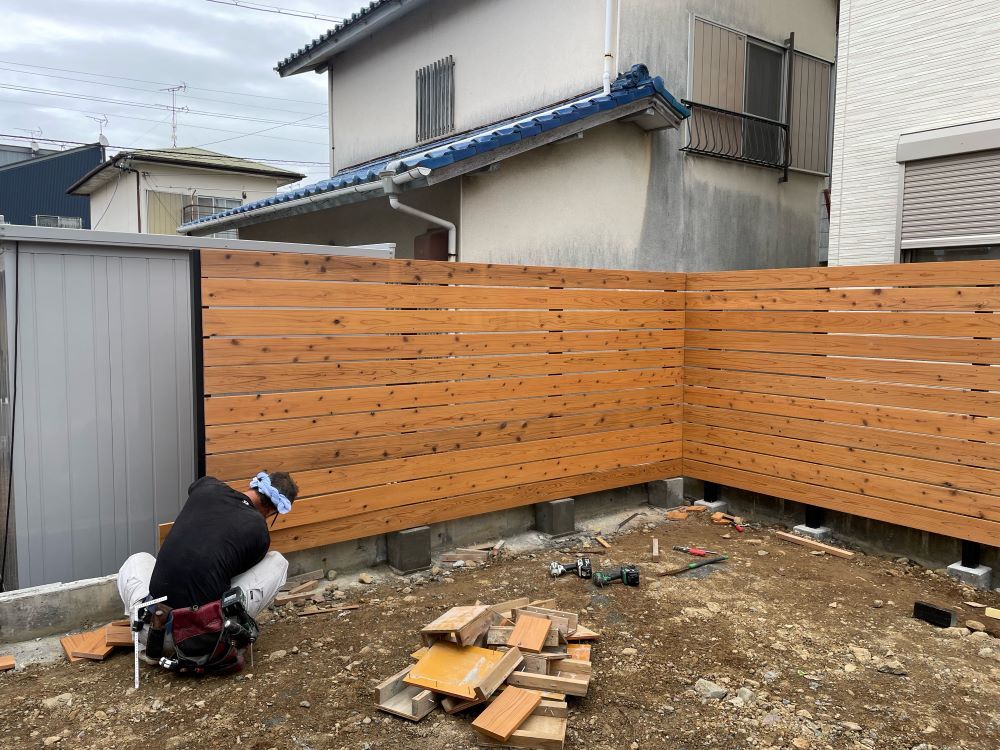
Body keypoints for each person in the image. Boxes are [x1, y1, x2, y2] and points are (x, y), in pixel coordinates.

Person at [117, 470, 299, 661]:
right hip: (196, 640)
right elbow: (234, 578)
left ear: (253, 484)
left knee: (137, 559)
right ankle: (224, 634)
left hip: (149, 630)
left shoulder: (208, 487)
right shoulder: (259, 532)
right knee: (277, 562)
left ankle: (144, 638)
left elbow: (194, 488)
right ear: (273, 511)